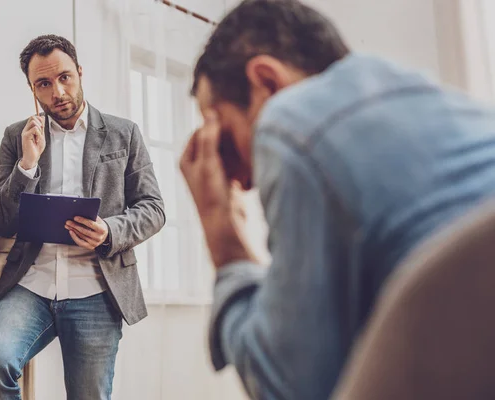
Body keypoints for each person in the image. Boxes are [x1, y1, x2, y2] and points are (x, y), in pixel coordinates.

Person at [180, 0, 495, 399]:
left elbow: (288, 389)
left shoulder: (289, 118)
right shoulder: (438, 101)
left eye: (221, 142)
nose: (237, 180)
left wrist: (222, 236)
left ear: (267, 83)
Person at [0, 34, 165, 400]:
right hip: (31, 285)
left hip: (97, 288)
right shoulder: (17, 137)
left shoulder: (124, 134)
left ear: (79, 72)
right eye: (43, 83)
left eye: (64, 77)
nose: (57, 92)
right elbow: (0, 220)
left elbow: (153, 207)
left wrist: (109, 230)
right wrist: (26, 165)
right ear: (32, 90)